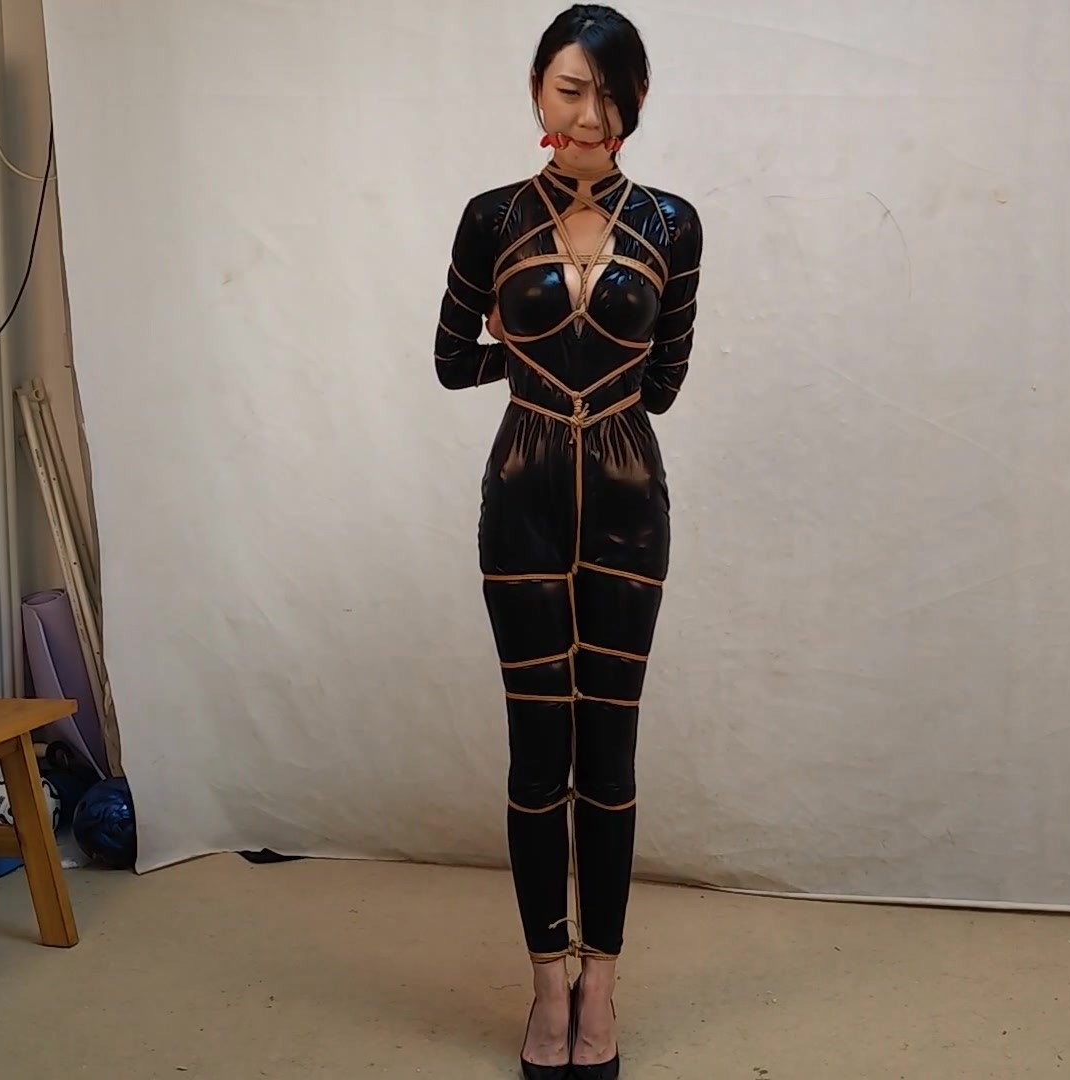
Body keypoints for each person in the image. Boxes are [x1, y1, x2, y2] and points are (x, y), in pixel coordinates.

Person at [431, 5, 702, 1077]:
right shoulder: (491, 217)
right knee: (538, 755)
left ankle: (603, 986)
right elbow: (451, 360)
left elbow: (664, 385)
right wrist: (525, 361)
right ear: (538, 91)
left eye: (609, 92)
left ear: (638, 99)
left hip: (630, 498)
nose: (589, 115)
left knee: (612, 756)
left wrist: (561, 357)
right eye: (569, 89)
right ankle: (548, 986)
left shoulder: (674, 224)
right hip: (523, 495)